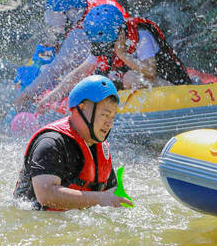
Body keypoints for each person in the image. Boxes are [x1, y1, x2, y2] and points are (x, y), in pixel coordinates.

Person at [35, 4, 190, 111]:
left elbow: (150, 71)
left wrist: (122, 54)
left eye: (106, 45)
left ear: (118, 35)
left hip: (172, 86)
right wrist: (51, 97)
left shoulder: (142, 36)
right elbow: (79, 73)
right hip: (144, 86)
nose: (103, 50)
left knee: (129, 77)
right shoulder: (105, 41)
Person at [13, 75, 130, 210]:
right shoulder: (51, 142)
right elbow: (45, 195)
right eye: (104, 115)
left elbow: (111, 195)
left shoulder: (100, 148)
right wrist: (100, 199)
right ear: (82, 108)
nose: (109, 123)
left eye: (112, 117)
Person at [13, 0, 126, 109]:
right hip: (113, 54)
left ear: (72, 12)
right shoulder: (91, 5)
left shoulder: (81, 32)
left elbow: (56, 69)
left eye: (56, 14)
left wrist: (27, 93)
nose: (51, 18)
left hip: (116, 68)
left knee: (55, 71)